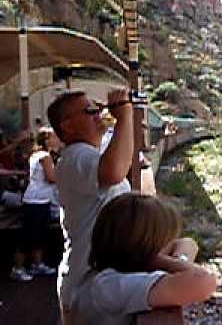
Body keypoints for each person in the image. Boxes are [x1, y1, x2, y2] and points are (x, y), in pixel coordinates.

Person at [47, 88, 133, 324]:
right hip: (89, 287)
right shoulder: (76, 155)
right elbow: (115, 171)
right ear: (68, 126)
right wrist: (125, 116)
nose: (99, 114)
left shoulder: (84, 156)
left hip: (91, 283)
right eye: (90, 111)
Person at [72, 192, 217, 324]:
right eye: (166, 242)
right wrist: (160, 261)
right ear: (146, 248)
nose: (171, 245)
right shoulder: (109, 286)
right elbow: (205, 282)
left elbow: (188, 243)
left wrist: (176, 261)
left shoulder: (104, 277)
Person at [10, 129, 59, 282]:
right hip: (35, 201)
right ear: (46, 140)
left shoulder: (36, 155)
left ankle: (37, 264)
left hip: (39, 200)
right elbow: (52, 178)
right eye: (54, 137)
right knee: (28, 237)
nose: (57, 139)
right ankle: (17, 269)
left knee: (39, 235)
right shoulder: (45, 156)